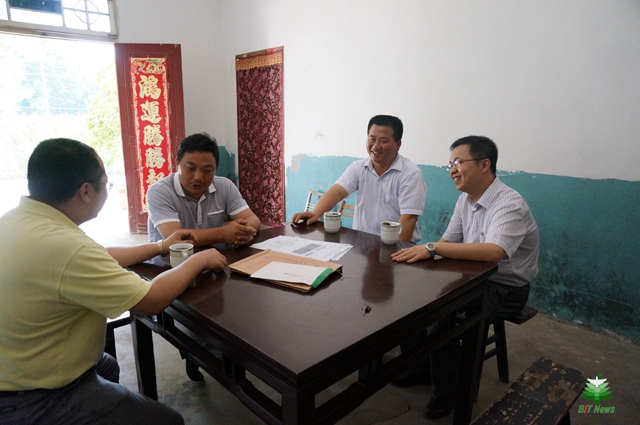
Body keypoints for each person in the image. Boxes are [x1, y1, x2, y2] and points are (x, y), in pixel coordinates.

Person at [0, 138, 227, 425]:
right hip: (32, 396)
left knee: (107, 367)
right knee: (167, 421)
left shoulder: (19, 220)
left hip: (14, 362)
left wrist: (160, 246)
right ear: (86, 191)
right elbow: (151, 300)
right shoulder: (68, 247)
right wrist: (199, 259)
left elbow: (100, 256)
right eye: (105, 183)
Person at [390, 135, 539, 419]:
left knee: (443, 318)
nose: (452, 170)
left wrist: (432, 248)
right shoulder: (465, 201)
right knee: (413, 297)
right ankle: (422, 368)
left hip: (505, 289)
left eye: (458, 162)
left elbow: (493, 253)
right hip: (472, 279)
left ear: (484, 164)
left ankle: (449, 392)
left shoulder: (510, 204)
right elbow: (448, 242)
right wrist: (427, 255)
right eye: (450, 164)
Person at [291, 115, 427, 243]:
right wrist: (315, 213)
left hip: (395, 245)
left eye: (383, 141)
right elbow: (337, 191)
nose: (376, 146)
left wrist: (394, 252)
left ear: (398, 144)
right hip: (363, 244)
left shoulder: (410, 174)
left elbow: (408, 219)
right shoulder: (359, 167)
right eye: (372, 139)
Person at [147, 132, 260, 249]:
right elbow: (175, 239)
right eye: (191, 168)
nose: (198, 177)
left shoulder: (225, 186)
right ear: (177, 163)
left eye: (207, 170)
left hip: (215, 257)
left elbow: (252, 219)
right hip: (171, 259)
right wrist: (223, 233)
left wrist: (242, 232)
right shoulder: (159, 192)